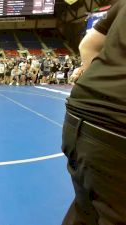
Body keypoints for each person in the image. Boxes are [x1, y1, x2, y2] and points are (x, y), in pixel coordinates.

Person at [62, 1, 126, 225]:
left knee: (84, 209)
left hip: (80, 110)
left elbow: (87, 44)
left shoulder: (122, 5)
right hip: (118, 129)